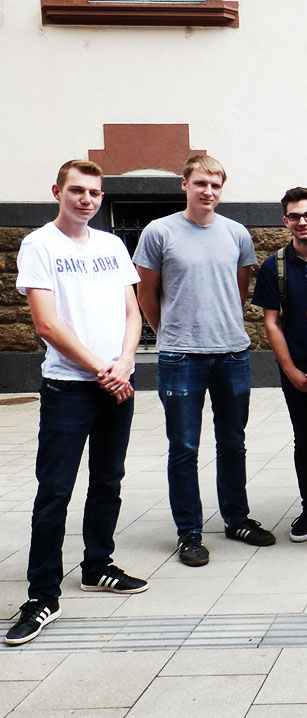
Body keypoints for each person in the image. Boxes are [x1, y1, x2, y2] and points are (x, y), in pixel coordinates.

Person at [7, 160, 147, 646]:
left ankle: (97, 565)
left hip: (118, 382)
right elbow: (47, 324)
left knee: (108, 480)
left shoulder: (111, 245)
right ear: (57, 192)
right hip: (70, 387)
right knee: (55, 492)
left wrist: (125, 362)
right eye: (77, 191)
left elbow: (133, 311)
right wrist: (99, 369)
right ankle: (42, 594)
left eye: (94, 192)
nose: (87, 199)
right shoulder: (39, 245)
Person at [134, 154, 275, 567]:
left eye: (215, 185)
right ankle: (189, 532)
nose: (208, 192)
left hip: (231, 351)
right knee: (184, 447)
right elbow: (146, 293)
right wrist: (168, 334)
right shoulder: (159, 232)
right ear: (184, 184)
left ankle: (236, 518)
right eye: (201, 184)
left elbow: (239, 289)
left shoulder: (235, 234)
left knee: (233, 442)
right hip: (181, 357)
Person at [250, 187, 307, 542]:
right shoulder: (274, 266)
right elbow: (271, 322)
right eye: (294, 216)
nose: (302, 222)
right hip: (297, 368)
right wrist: (290, 370)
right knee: (305, 440)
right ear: (285, 221)